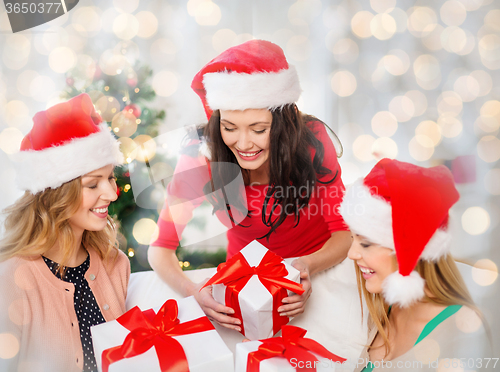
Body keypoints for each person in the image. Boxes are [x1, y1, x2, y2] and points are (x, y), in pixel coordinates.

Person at [148, 40, 351, 331]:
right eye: (229, 127)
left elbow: (343, 235)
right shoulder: (200, 156)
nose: (243, 144)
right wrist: (194, 292)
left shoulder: (312, 140)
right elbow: (160, 249)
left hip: (319, 271)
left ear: (283, 124)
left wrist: (306, 267)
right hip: (246, 287)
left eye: (259, 129)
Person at [0, 93, 130, 372]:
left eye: (110, 177)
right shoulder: (11, 278)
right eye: (93, 184)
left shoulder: (115, 263)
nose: (112, 193)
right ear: (55, 194)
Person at [339, 158, 492, 372]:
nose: (352, 254)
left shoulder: (461, 329)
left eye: (365, 243)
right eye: (352, 239)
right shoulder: (380, 311)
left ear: (409, 249)